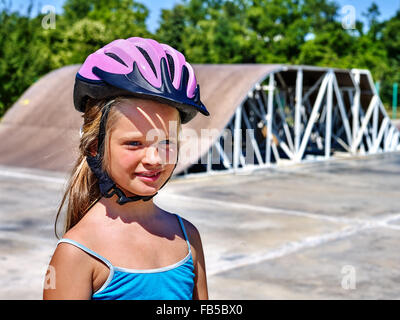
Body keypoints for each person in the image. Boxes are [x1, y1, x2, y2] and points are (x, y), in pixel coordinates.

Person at [43, 37, 210, 300]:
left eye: (167, 142)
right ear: (94, 147)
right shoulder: (77, 254)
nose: (155, 159)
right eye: (134, 143)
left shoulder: (188, 237)